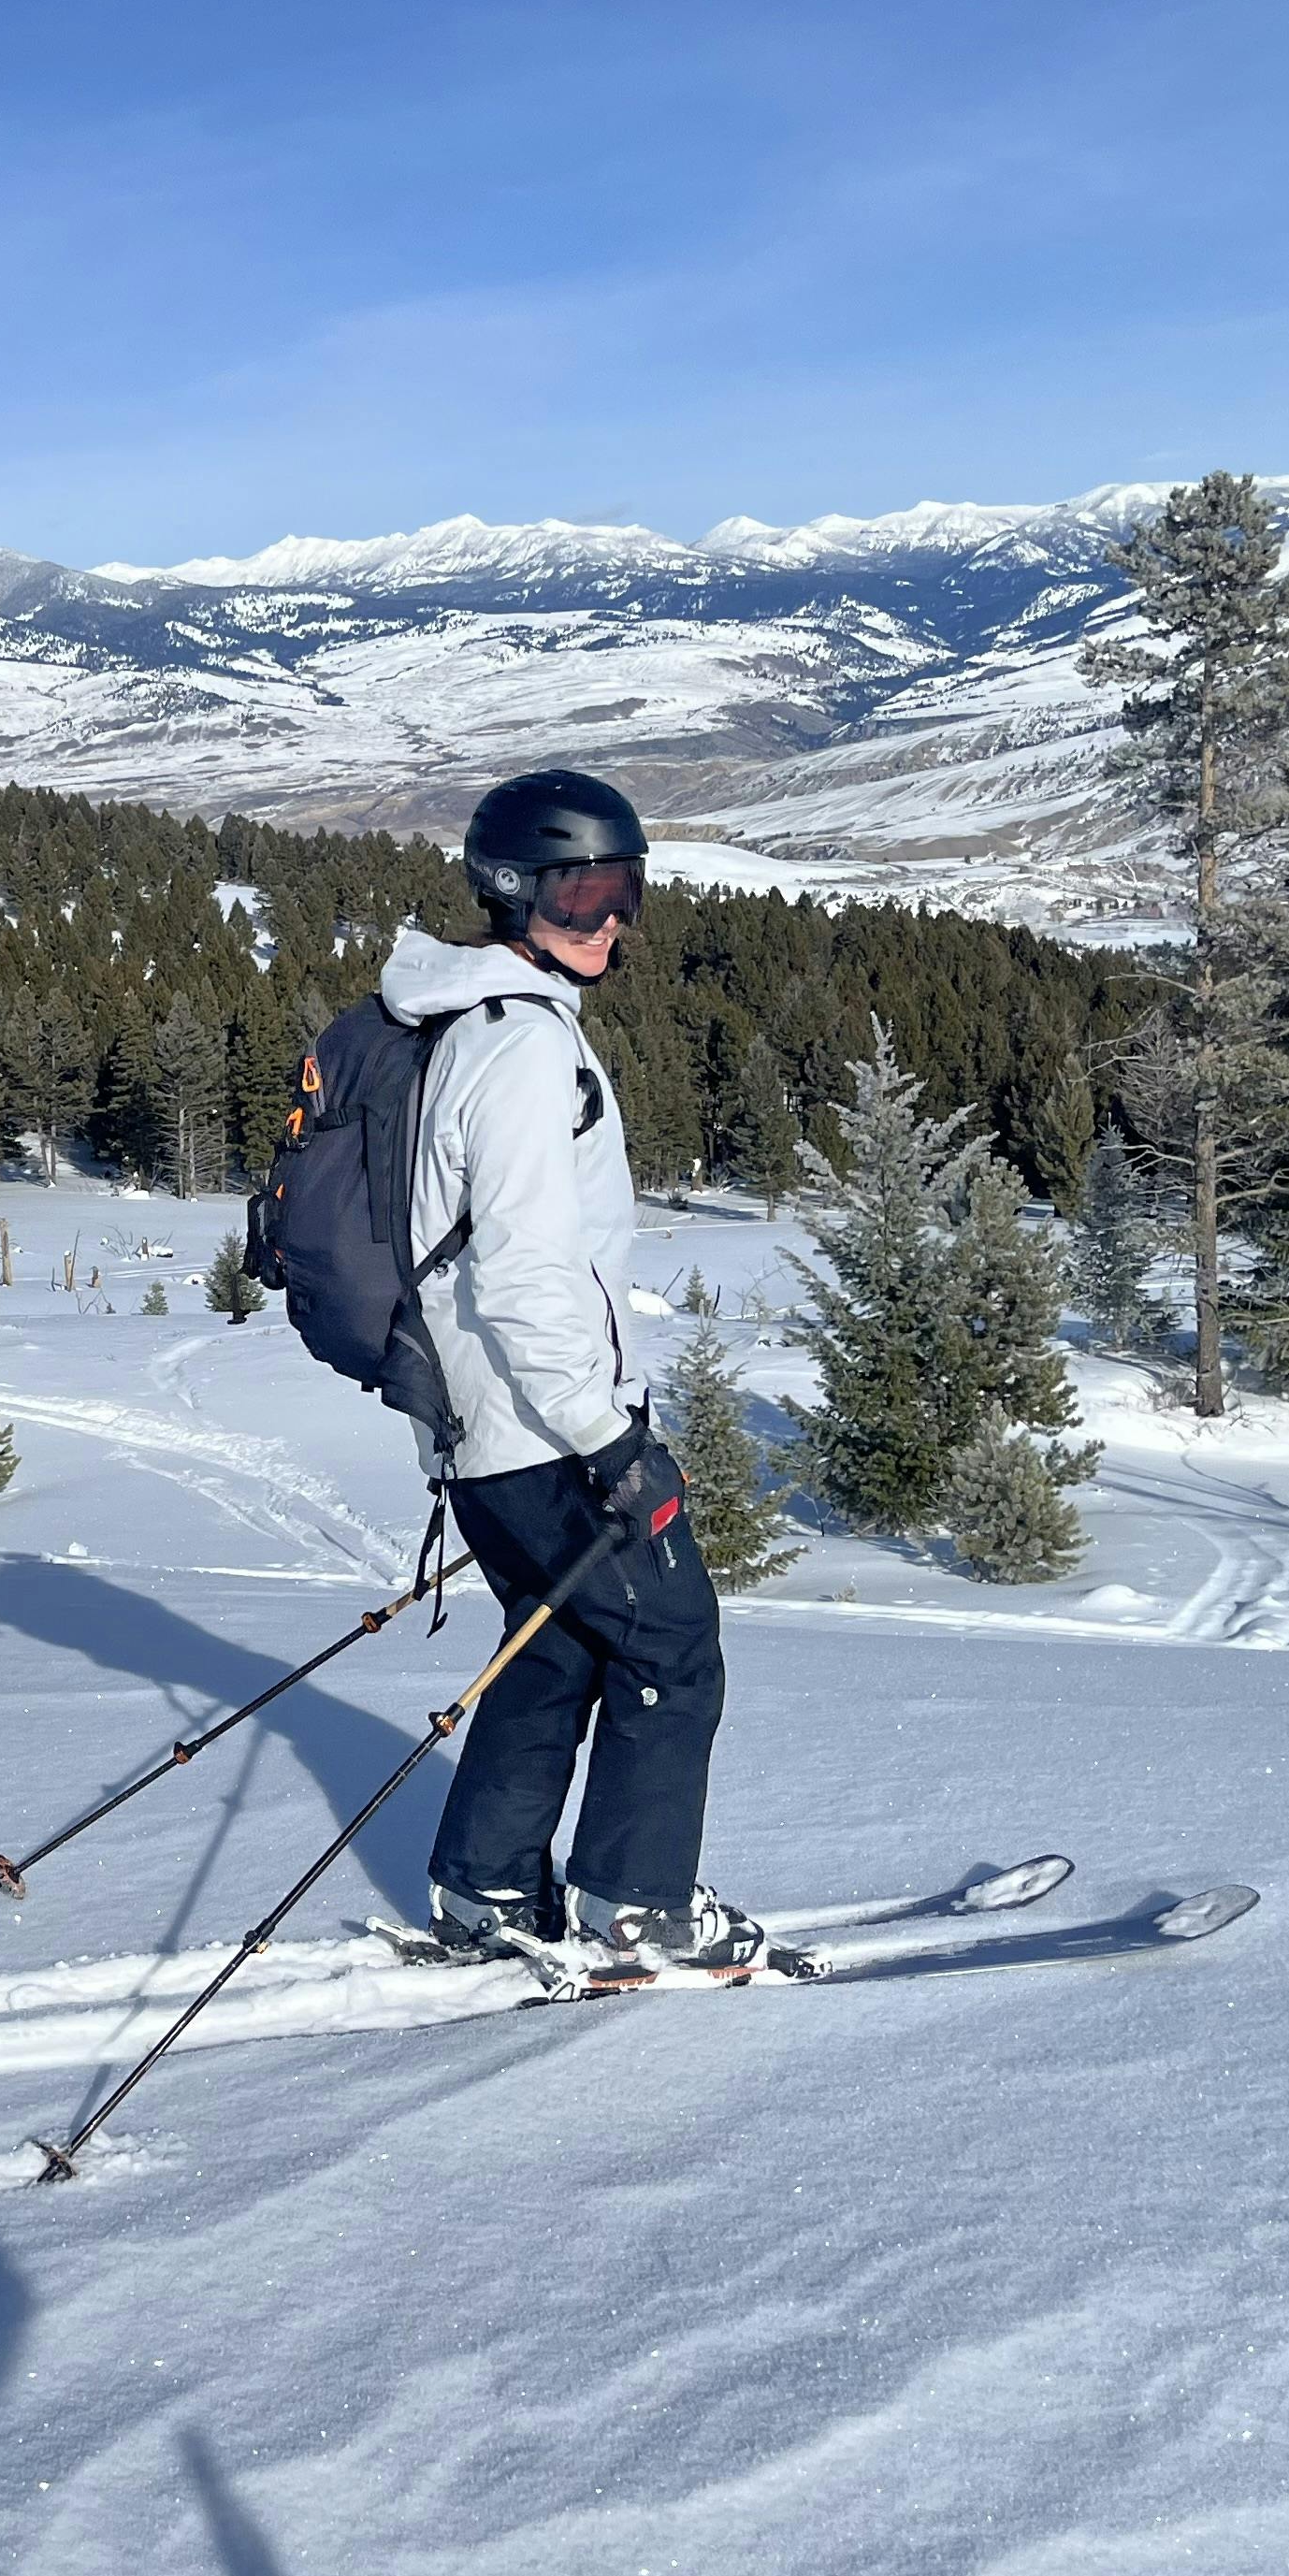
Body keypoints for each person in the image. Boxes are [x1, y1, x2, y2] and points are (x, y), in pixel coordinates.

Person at [376, 769, 769, 1983]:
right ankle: (635, 1909)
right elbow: (526, 1279)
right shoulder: (518, 1048)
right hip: (542, 1429)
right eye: (581, 891)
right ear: (511, 891)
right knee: (672, 1644)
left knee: (553, 1648)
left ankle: (489, 1888)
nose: (608, 920)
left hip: (485, 1426)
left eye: (623, 889)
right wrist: (611, 1439)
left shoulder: (480, 1021)